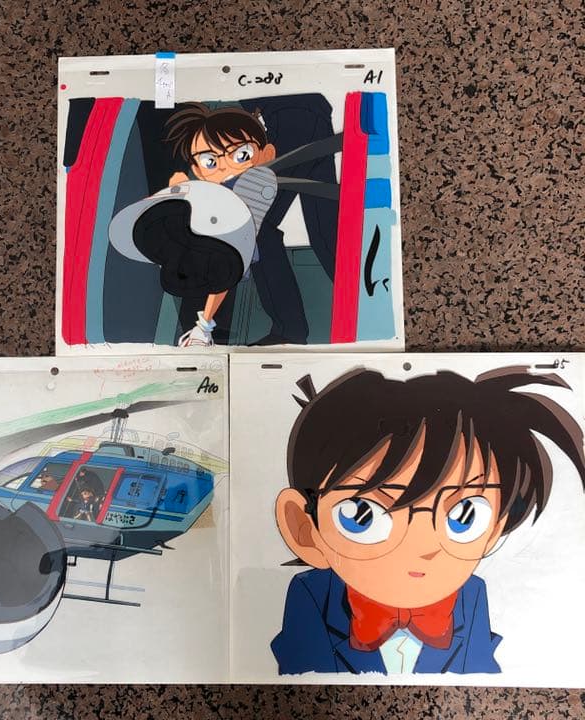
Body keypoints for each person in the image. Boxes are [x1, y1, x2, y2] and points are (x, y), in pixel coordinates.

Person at [271, 367, 585, 675]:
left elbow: (478, 671)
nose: (420, 548)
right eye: (364, 515)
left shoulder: (471, 594)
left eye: (464, 515)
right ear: (304, 529)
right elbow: (297, 679)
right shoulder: (311, 594)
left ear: (495, 530)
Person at [163, 102, 276, 347]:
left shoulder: (258, 181)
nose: (224, 165)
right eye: (209, 160)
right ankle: (201, 328)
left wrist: (186, 191)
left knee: (221, 276)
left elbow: (231, 216)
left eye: (241, 154)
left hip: (232, 248)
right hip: (209, 250)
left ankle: (203, 328)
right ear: (197, 168)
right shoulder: (214, 188)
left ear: (266, 154)